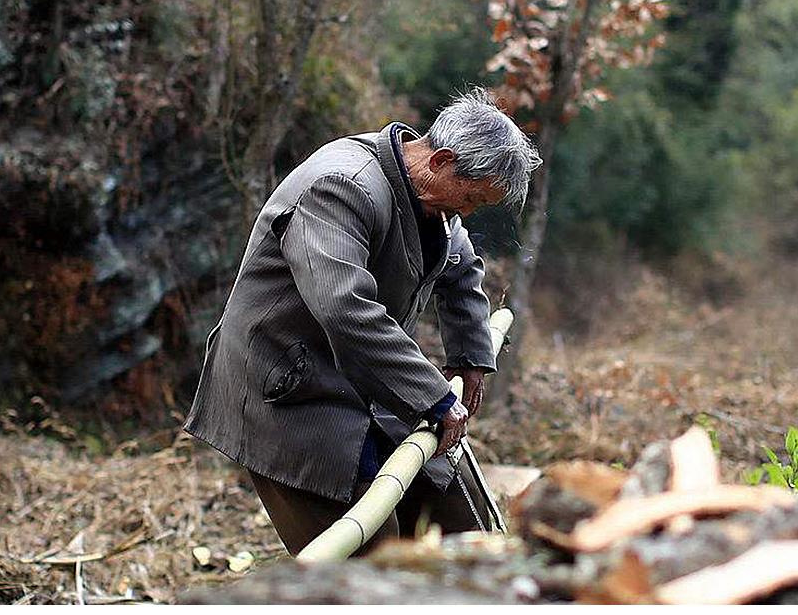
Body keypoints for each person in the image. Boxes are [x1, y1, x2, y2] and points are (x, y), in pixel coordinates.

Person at [183, 88, 541, 556]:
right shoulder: (342, 186)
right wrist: (433, 398)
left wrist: (471, 356)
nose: (467, 214)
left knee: (463, 527)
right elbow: (345, 309)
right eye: (470, 198)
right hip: (293, 394)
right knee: (368, 561)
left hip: (368, 386)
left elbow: (461, 265)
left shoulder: (433, 197)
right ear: (442, 160)